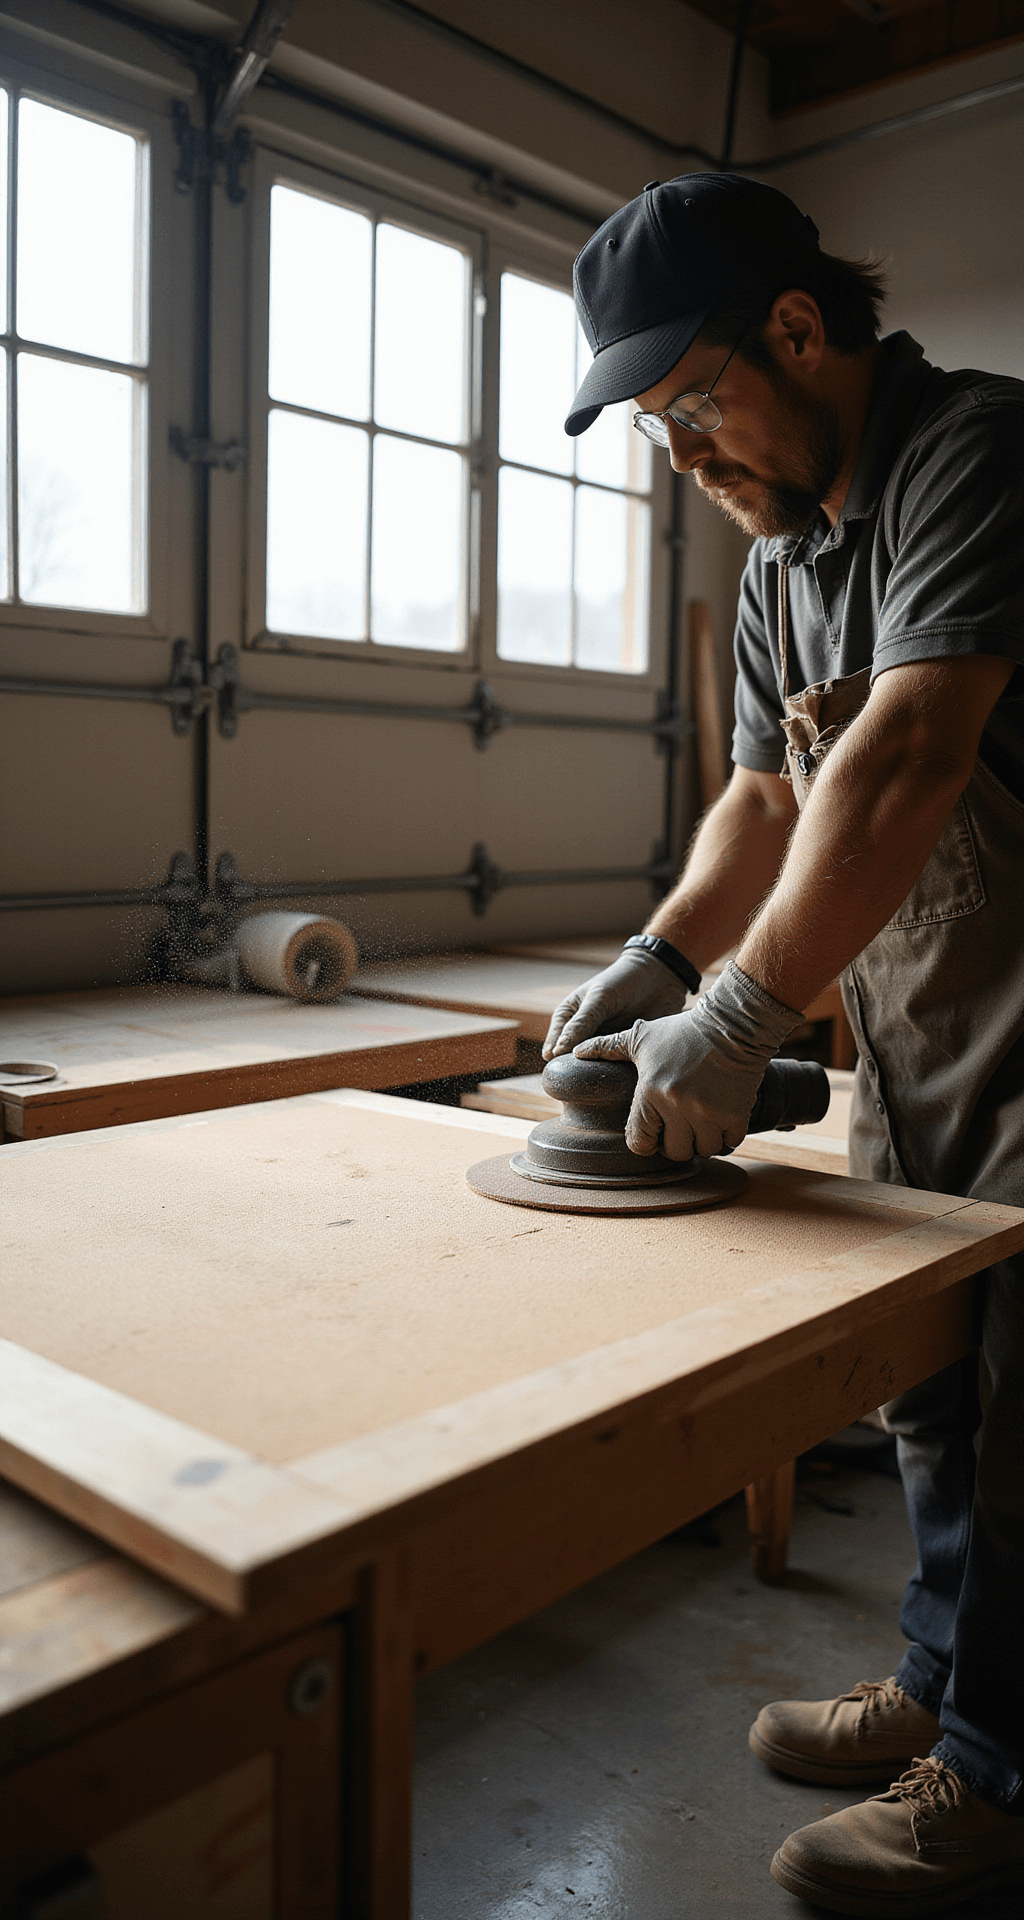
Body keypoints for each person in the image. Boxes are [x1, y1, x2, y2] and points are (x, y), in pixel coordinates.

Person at [545, 171, 1024, 1915]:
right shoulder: (776, 567)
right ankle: (941, 1682)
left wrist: (742, 1013)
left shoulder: (972, 458)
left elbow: (903, 757)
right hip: (923, 1034)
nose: (680, 456)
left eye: (692, 406)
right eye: (654, 429)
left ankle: (997, 1782)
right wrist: (657, 955)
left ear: (800, 334)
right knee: (932, 1389)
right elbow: (765, 794)